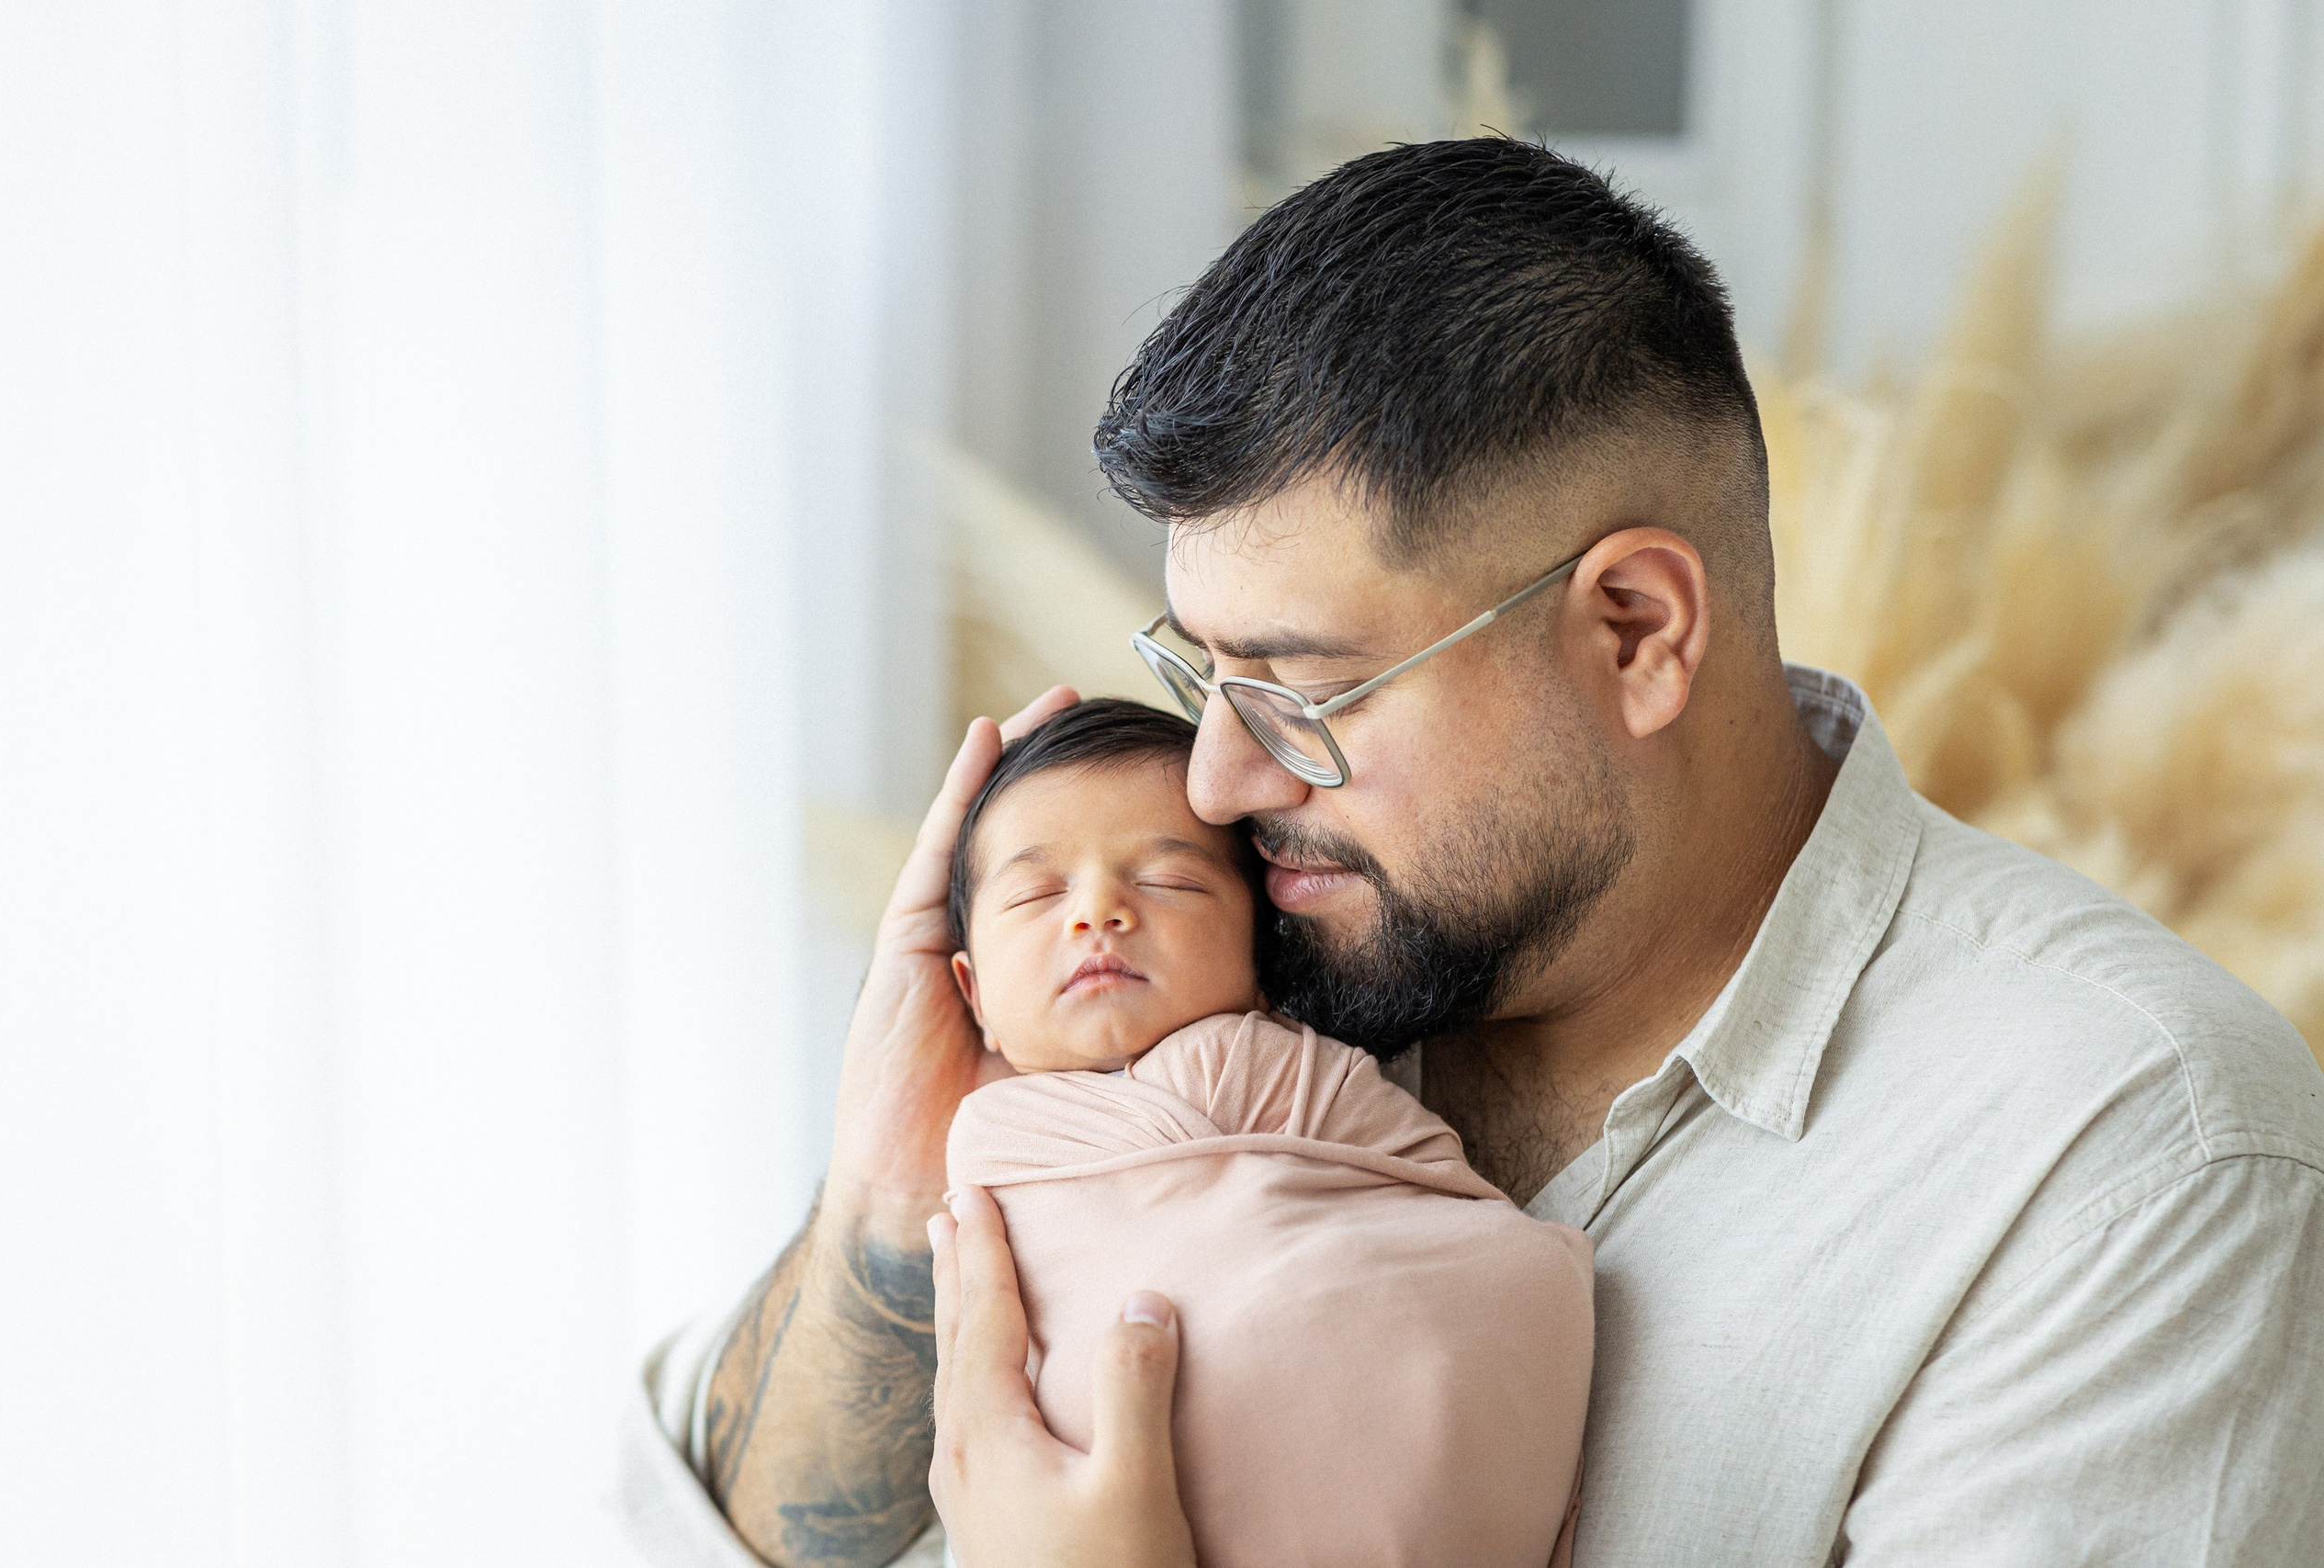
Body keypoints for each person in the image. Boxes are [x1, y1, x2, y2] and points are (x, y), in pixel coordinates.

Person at [620, 139, 2324, 1568]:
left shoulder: (2133, 1157)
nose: (1214, 777)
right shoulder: (1236, 971)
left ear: (1638, 628)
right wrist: (890, 1204)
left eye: (1306, 686)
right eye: (1199, 674)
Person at [937, 695, 1591, 1568]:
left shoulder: (1286, 1064)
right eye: (1036, 892)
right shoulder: (991, 1143)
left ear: (1260, 961)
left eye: (1167, 879)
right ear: (973, 994)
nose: (1098, 910)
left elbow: (1440, 1197)